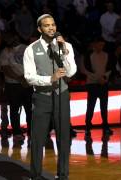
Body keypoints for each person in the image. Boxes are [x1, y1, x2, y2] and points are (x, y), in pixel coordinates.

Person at [23, 14, 77, 180]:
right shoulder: (31, 49)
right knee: (38, 139)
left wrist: (64, 52)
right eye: (47, 25)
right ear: (40, 29)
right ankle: (36, 175)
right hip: (41, 96)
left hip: (62, 95)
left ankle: (63, 175)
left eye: (53, 24)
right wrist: (50, 79)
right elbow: (29, 76)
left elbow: (71, 72)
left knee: (64, 138)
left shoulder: (65, 45)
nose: (51, 28)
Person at [0, 33, 33, 141]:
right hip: (12, 85)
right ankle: (17, 133)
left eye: (11, 37)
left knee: (30, 109)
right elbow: (5, 68)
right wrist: (20, 79)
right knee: (14, 110)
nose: (9, 40)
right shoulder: (5, 52)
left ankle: (32, 131)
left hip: (28, 83)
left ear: (16, 37)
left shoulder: (27, 48)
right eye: (7, 39)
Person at [81, 38, 113, 137]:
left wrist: (104, 77)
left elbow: (109, 68)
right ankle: (87, 127)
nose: (101, 47)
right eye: (99, 45)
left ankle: (105, 126)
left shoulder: (106, 55)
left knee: (104, 107)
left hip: (103, 84)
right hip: (92, 84)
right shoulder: (89, 55)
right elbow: (86, 69)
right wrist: (98, 78)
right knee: (91, 106)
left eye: (102, 45)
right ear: (95, 45)